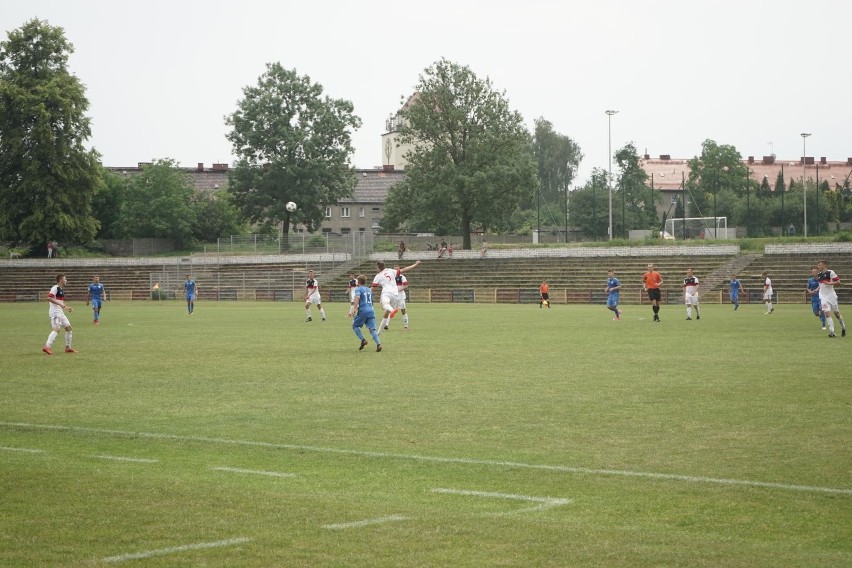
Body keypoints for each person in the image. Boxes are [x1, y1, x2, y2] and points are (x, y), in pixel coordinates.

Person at [372, 259, 421, 333]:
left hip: (399, 295)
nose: (395, 269)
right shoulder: (390, 273)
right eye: (394, 268)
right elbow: (405, 269)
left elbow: (405, 285)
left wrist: (398, 289)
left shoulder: (401, 277)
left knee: (402, 310)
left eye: (396, 268)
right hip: (393, 294)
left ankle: (405, 326)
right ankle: (386, 325)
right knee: (387, 310)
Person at [42, 273, 77, 355]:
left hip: (60, 312)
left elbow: (59, 302)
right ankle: (47, 346)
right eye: (65, 279)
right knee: (56, 329)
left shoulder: (61, 289)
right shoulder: (55, 288)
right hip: (55, 313)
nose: (66, 280)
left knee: (69, 328)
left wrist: (66, 307)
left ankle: (68, 348)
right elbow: (49, 298)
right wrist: (62, 305)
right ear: (61, 280)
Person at [348, 274, 382, 352]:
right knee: (372, 329)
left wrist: (354, 309)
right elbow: (372, 301)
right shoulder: (369, 289)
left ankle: (363, 340)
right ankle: (378, 344)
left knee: (355, 326)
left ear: (358, 282)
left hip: (363, 311)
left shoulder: (358, 289)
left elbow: (357, 297)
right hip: (371, 310)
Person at [816, 259, 846, 338]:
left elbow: (838, 282)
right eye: (818, 265)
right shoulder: (819, 275)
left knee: (837, 314)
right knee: (827, 313)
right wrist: (816, 290)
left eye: (819, 265)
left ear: (824, 265)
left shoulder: (830, 272)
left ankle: (843, 328)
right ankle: (832, 331)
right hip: (823, 296)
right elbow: (821, 285)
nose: (818, 266)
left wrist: (829, 283)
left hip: (831, 296)